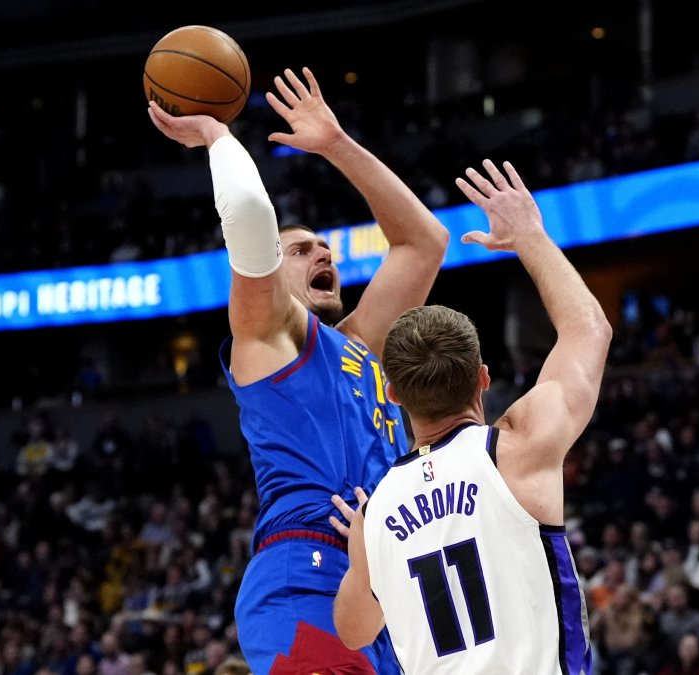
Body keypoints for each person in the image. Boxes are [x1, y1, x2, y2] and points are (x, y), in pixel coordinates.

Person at [148, 66, 448, 674]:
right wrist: (217, 138)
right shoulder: (269, 335)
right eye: (301, 249)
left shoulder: (361, 345)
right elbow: (249, 213)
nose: (322, 253)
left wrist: (336, 144)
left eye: (325, 248)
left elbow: (424, 241)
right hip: (307, 568)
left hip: (385, 580)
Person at [329, 159, 611, 673]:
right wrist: (530, 236)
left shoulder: (375, 512)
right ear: (482, 377)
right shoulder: (518, 449)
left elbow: (352, 632)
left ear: (393, 394)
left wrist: (362, 551)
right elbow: (589, 329)